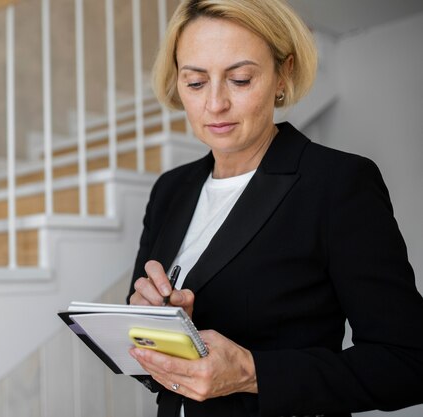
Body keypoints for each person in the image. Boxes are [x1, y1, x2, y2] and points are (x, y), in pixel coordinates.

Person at [127, 1, 423, 416]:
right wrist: (152, 327)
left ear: (282, 74)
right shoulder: (170, 190)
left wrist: (252, 372)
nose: (215, 104)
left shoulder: (337, 184)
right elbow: (145, 360)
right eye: (195, 83)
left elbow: (409, 361)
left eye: (240, 79)